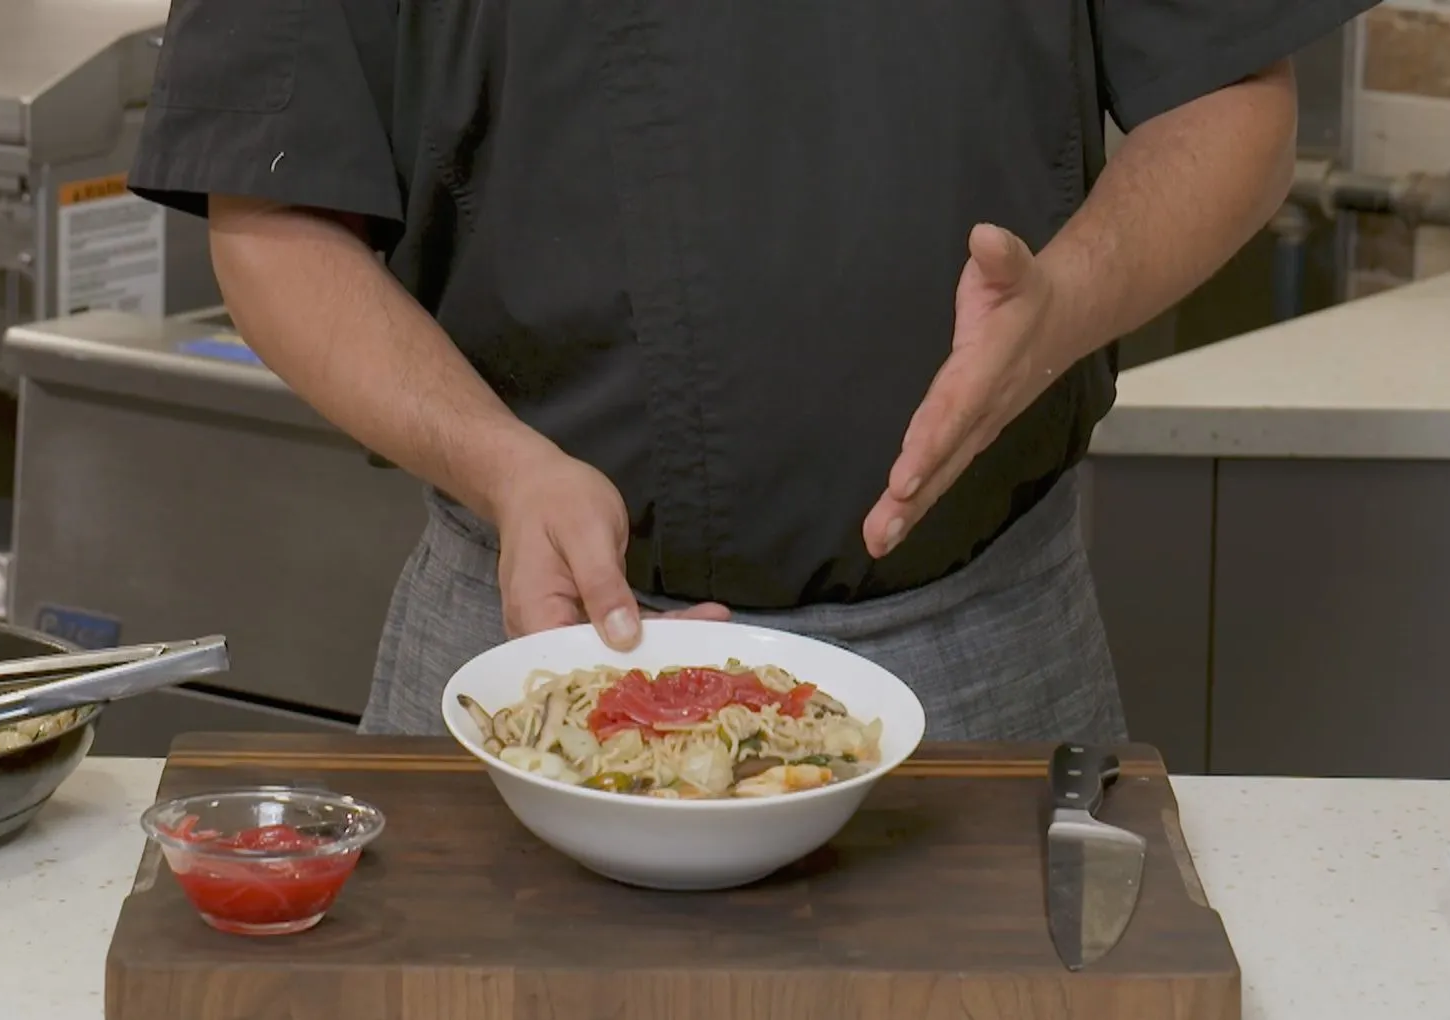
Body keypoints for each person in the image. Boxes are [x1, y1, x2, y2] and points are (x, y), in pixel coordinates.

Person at [130, 0, 1376, 743]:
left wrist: (1063, 306)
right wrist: (501, 465)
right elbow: (276, 215)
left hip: (980, 647)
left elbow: (1232, 96)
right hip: (536, 647)